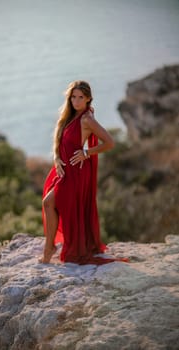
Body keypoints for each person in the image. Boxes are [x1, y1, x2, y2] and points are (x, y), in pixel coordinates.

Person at [39, 80, 127, 265]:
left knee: (49, 202)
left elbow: (109, 142)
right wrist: (56, 159)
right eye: (73, 97)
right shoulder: (69, 116)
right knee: (52, 204)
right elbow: (58, 139)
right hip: (64, 169)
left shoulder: (87, 119)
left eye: (81, 97)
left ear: (88, 99)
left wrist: (86, 152)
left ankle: (49, 248)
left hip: (77, 173)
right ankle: (51, 246)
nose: (76, 101)